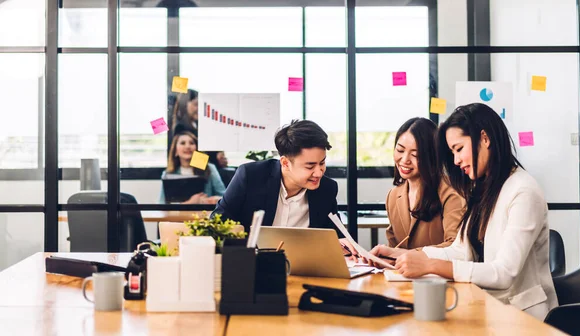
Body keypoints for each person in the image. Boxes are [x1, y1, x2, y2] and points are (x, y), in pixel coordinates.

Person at [372, 103, 558, 320]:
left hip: (522, 317)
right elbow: (461, 251)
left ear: (485, 139)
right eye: (452, 152)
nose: (456, 160)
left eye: (459, 149)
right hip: (486, 307)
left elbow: (504, 273)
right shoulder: (483, 189)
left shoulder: (523, 191)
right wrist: (402, 254)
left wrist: (431, 264)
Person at [212, 120, 356, 253]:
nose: (318, 173)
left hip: (306, 267)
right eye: (310, 166)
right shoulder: (251, 176)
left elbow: (334, 235)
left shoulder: (326, 189)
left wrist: (340, 243)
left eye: (322, 163)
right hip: (253, 265)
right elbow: (218, 221)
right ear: (285, 163)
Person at [374, 118, 464, 252]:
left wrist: (401, 255)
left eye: (415, 155)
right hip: (401, 273)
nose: (405, 160)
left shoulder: (451, 193)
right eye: (400, 150)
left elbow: (455, 247)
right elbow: (394, 247)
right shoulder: (393, 196)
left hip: (437, 272)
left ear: (431, 156)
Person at [158, 130, 226, 204]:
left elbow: (224, 197)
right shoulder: (168, 174)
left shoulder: (209, 168)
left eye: (191, 143)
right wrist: (190, 203)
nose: (187, 146)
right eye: (182, 143)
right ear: (175, 151)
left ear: (196, 148)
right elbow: (161, 204)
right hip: (178, 215)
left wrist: (212, 200)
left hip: (204, 214)